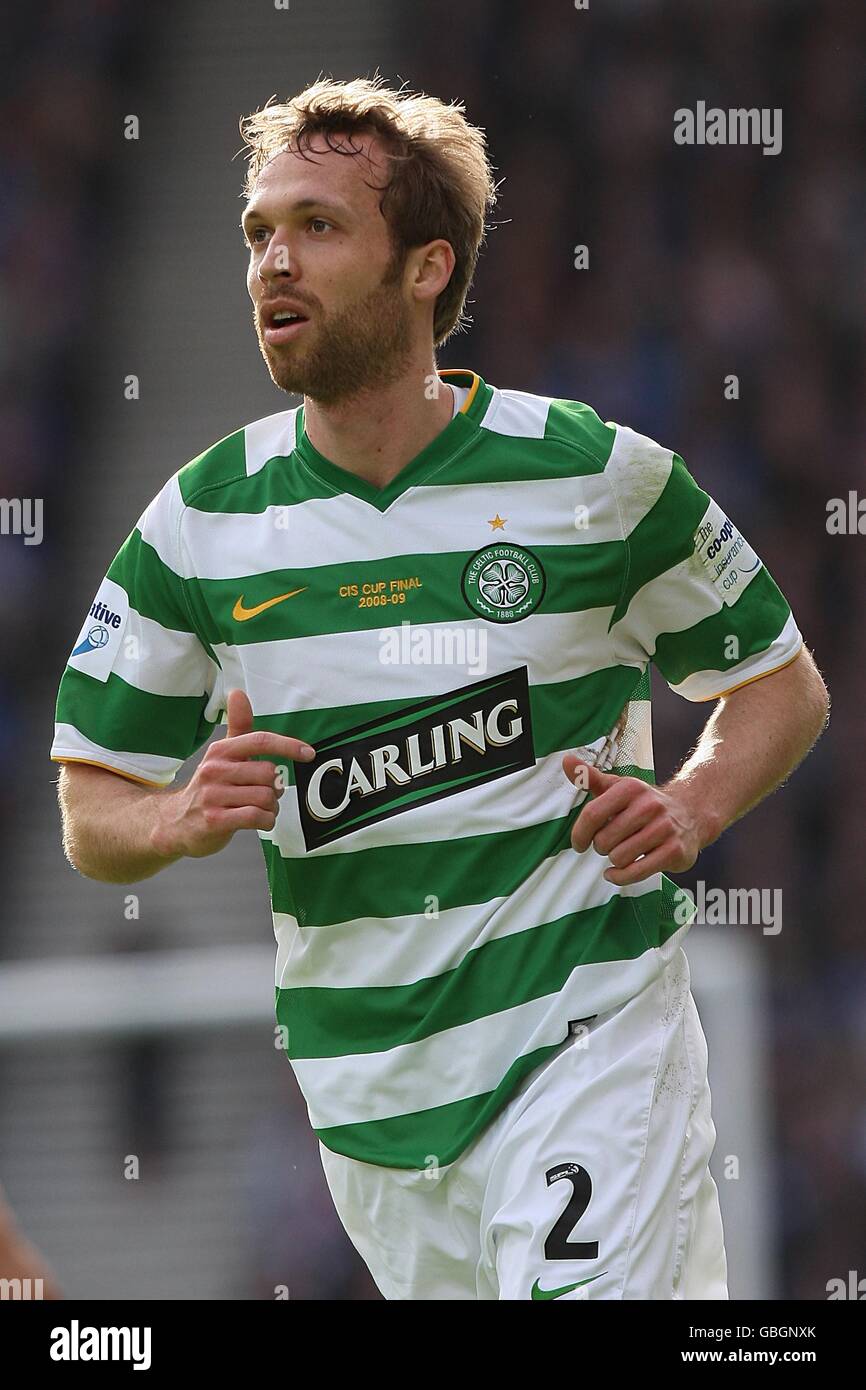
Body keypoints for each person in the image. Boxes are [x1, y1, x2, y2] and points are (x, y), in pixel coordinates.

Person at [52, 77, 829, 1300]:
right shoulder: (200, 521)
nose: (272, 262)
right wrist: (173, 816)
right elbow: (91, 803)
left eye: (316, 226)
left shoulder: (594, 478)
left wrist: (691, 804)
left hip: (583, 1038)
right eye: (258, 231)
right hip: (373, 1105)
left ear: (425, 267)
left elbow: (780, 684)